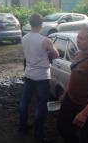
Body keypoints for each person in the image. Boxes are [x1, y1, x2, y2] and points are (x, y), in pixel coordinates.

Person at [57, 26, 88, 143]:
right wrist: (66, 92)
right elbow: (74, 75)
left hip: (85, 106)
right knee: (62, 127)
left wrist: (84, 113)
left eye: (82, 38)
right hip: (70, 100)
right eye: (78, 37)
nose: (78, 40)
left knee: (86, 137)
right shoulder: (79, 54)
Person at [19, 13, 59, 143]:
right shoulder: (45, 40)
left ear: (30, 24)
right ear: (41, 25)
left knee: (25, 101)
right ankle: (38, 136)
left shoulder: (24, 37)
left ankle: (22, 126)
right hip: (42, 76)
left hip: (29, 74)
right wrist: (50, 50)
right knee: (41, 105)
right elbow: (56, 54)